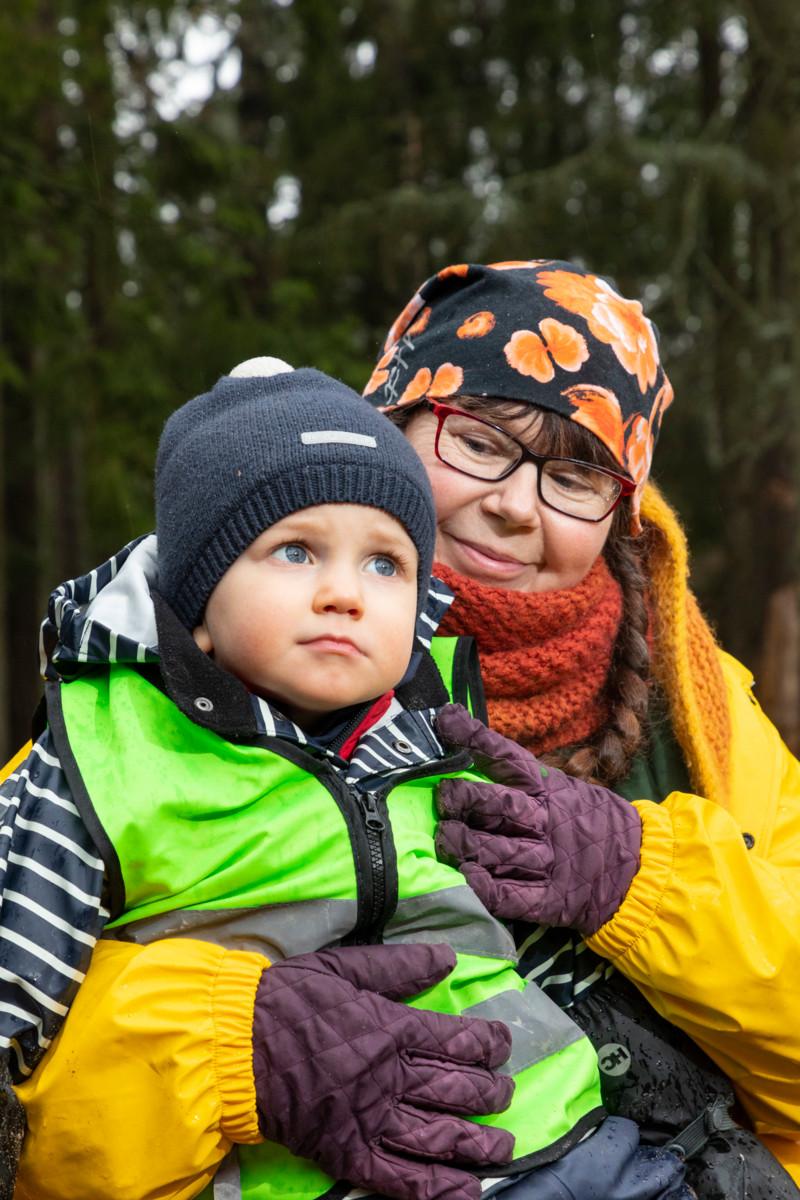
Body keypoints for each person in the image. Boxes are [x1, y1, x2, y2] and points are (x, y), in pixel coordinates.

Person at [2, 357, 692, 1200]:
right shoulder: (96, 764)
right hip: (327, 1174)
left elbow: (545, 957)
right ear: (196, 609)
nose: (344, 595)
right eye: (295, 551)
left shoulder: (436, 733)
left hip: (559, 1140)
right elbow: (22, 1019)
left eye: (384, 565)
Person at [359, 258, 800, 1198]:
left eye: (573, 473)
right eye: (477, 441)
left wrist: (639, 881)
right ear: (387, 426)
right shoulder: (211, 647)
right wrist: (248, 1051)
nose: (517, 504)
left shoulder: (694, 708)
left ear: (621, 511)